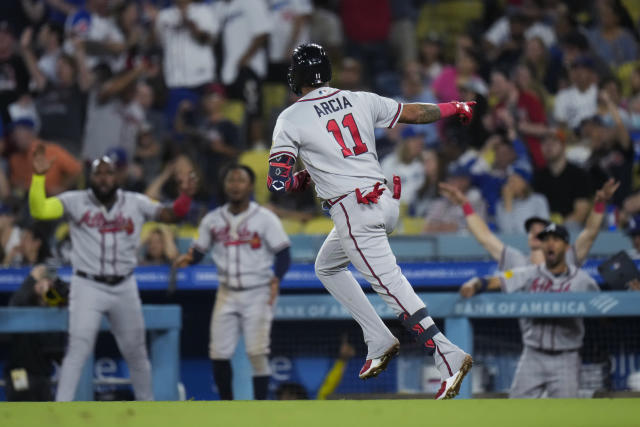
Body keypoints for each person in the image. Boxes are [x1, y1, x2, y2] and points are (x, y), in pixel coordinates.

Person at [268, 43, 475, 400]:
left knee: (392, 287)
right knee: (327, 267)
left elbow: (277, 182)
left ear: (297, 77)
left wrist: (300, 178)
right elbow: (414, 112)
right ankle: (378, 338)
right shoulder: (358, 98)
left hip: (354, 211)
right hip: (384, 200)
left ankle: (448, 355)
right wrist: (452, 107)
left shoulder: (290, 117)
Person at [28, 144, 196, 401]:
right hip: (87, 285)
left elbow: (170, 214)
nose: (104, 178)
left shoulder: (135, 202)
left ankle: (147, 411)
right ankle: (60, 412)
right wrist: (39, 178)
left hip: (124, 286)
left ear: (118, 177)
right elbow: (39, 209)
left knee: (136, 352)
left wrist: (184, 198)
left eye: (109, 173)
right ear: (90, 177)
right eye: (98, 173)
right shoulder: (75, 201)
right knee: (77, 350)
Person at [174, 164, 291, 400]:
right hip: (226, 292)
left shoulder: (265, 218)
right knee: (218, 352)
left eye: (240, 180)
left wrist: (276, 279)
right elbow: (198, 251)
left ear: (250, 186)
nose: (235, 185)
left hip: (258, 291)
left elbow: (283, 253)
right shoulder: (213, 219)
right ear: (224, 185)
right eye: (231, 180)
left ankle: (260, 408)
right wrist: (188, 258)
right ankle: (227, 406)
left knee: (257, 353)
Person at [459, 223, 600, 398]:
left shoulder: (582, 280)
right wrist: (475, 283)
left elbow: (604, 310)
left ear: (567, 247)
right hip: (533, 355)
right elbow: (499, 279)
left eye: (556, 240)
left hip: (567, 356)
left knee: (566, 413)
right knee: (516, 409)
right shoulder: (527, 273)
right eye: (546, 240)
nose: (550, 244)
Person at [439, 178, 619, 269]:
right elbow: (485, 238)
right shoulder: (519, 263)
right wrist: (465, 205)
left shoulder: (566, 261)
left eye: (541, 230)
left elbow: (589, 234)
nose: (535, 233)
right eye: (532, 230)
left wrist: (600, 203)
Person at [4, 264, 69, 401]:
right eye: (42, 282)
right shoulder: (24, 302)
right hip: (19, 373)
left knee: (45, 417)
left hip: (42, 376)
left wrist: (55, 280)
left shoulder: (52, 308)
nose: (45, 285)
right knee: (23, 411)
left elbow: (64, 298)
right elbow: (17, 303)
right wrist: (32, 279)